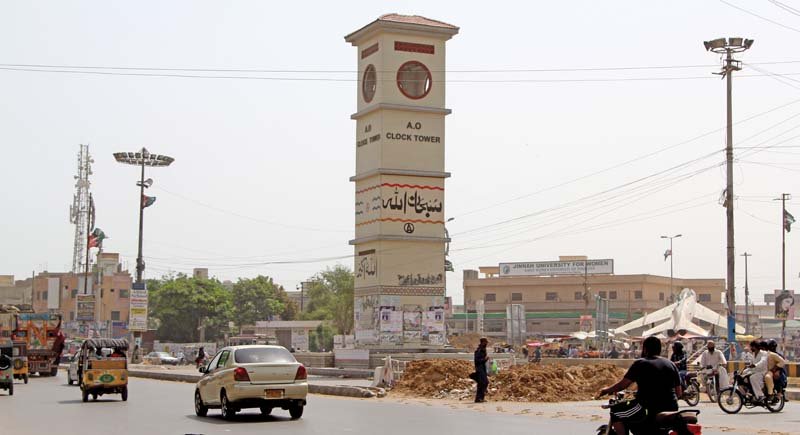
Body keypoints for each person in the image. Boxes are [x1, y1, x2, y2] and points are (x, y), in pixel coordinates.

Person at [598, 336, 690, 435]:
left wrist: (606, 390)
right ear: (659, 349)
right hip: (671, 407)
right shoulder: (671, 364)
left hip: (647, 408)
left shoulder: (640, 363)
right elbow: (679, 393)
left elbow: (622, 385)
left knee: (616, 411)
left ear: (645, 349)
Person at [473, 337, 490, 403]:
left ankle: (480, 398)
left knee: (483, 383)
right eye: (485, 342)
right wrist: (485, 359)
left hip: (482, 368)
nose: (486, 344)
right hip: (479, 369)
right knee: (483, 383)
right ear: (483, 342)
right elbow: (477, 361)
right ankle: (479, 398)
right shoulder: (479, 350)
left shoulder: (483, 349)